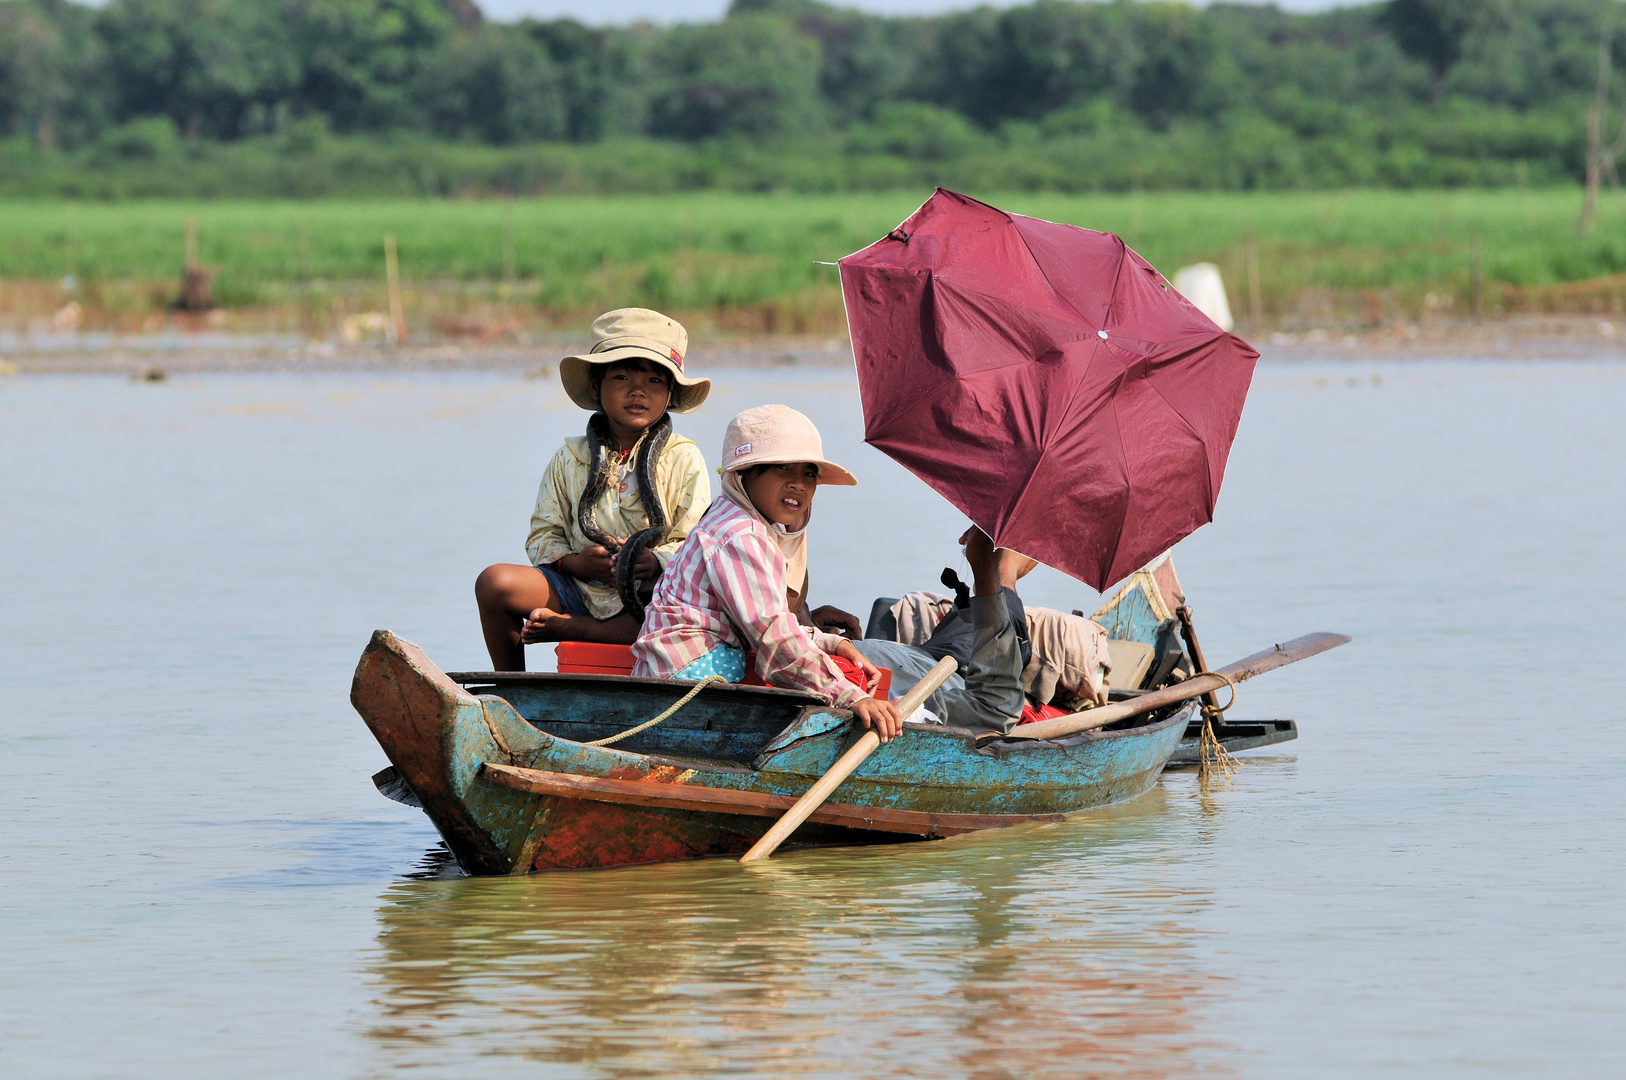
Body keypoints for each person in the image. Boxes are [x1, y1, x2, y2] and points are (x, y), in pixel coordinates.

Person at [631, 405, 907, 740]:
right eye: (781, 468)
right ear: (743, 474)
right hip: (684, 685)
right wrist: (852, 697)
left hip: (687, 674)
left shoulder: (737, 520)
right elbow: (774, 639)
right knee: (829, 701)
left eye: (809, 473)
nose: (798, 484)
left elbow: (767, 619)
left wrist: (833, 642)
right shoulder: (740, 535)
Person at [474, 308, 712, 670]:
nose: (637, 391)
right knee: (494, 583)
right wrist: (577, 563)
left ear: (669, 394)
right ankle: (511, 688)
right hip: (578, 587)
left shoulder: (683, 458)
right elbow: (542, 536)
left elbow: (695, 544)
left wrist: (653, 562)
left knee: (680, 621)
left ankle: (575, 629)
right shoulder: (570, 457)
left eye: (653, 381)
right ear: (594, 386)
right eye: (621, 376)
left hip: (650, 597)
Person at [848, 532, 1030, 733]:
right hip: (947, 665)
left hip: (919, 656)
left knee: (969, 617)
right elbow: (996, 707)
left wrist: (811, 623)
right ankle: (1005, 573)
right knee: (997, 598)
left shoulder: (815, 652)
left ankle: (1002, 573)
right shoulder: (891, 710)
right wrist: (984, 569)